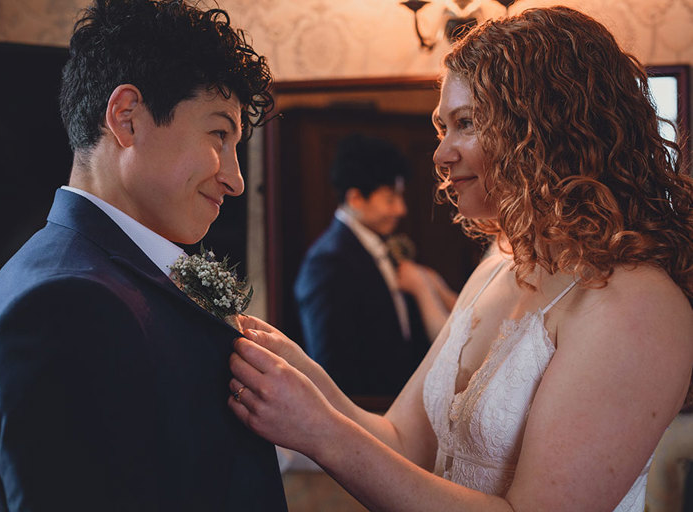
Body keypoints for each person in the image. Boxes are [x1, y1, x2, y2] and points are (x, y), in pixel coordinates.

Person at [227, 6, 693, 511]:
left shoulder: (636, 305)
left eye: (465, 123)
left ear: (542, 127)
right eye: (441, 127)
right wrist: (307, 380)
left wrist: (323, 435)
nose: (440, 153)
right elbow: (402, 439)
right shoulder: (500, 262)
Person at [0, 0, 287, 510]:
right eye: (220, 133)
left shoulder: (101, 275)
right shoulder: (67, 303)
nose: (236, 180)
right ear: (126, 118)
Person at [294, 134, 436, 396]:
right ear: (356, 198)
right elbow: (331, 366)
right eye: (391, 199)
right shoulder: (326, 263)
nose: (401, 209)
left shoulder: (379, 246)